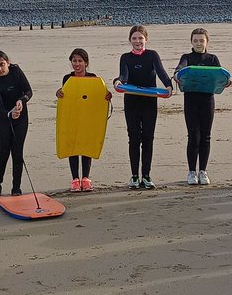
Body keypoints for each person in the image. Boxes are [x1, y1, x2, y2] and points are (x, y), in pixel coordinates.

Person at [115, 25, 172, 189]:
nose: (137, 41)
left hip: (149, 101)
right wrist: (118, 81)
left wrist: (168, 86)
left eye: (140, 38)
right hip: (132, 101)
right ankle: (134, 176)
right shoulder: (125, 57)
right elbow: (124, 76)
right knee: (133, 138)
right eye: (134, 38)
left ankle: (146, 175)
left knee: (148, 138)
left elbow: (161, 72)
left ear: (146, 39)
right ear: (130, 40)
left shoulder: (152, 55)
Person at [174, 27, 230, 186]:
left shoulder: (212, 59)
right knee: (193, 136)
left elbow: (221, 76)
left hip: (207, 100)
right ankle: (192, 171)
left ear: (207, 42)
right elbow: (179, 69)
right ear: (191, 42)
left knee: (206, 135)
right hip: (191, 100)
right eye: (195, 40)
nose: (198, 43)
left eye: (201, 40)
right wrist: (177, 75)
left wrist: (226, 82)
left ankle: (203, 171)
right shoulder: (187, 57)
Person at [55, 48, 111, 191]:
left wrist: (107, 95)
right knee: (72, 146)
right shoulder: (67, 78)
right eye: (74, 61)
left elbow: (99, 95)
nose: (77, 64)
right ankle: (75, 179)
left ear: (86, 63)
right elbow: (65, 95)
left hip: (88, 116)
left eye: (80, 61)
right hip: (72, 116)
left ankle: (86, 178)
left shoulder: (93, 77)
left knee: (86, 145)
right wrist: (59, 93)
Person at [0, 51, 32, 197]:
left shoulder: (16, 71)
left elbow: (28, 91)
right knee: (4, 151)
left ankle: (16, 187)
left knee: (17, 152)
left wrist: (21, 100)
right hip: (4, 119)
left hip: (21, 118)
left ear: (8, 62)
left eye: (2, 64)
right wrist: (9, 113)